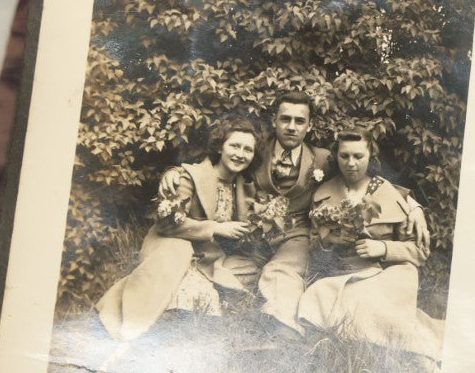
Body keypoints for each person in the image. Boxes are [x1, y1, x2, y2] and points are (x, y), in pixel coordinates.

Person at [249, 90, 429, 330]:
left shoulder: (321, 159)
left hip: (306, 240)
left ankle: (283, 322)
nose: (350, 162)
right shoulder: (252, 151)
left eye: (300, 120)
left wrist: (413, 206)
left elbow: (373, 185)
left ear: (309, 125)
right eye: (285, 119)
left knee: (289, 272)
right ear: (275, 120)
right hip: (255, 233)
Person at [96, 116, 263, 340]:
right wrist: (215, 228)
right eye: (234, 145)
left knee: (253, 268)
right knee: (193, 299)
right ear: (220, 147)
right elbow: (168, 225)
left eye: (247, 150)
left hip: (210, 257)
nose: (240, 154)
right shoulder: (190, 176)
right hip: (175, 248)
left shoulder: (245, 186)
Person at [297, 132, 442, 359]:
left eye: (358, 156)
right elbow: (315, 249)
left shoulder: (388, 193)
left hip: (383, 275)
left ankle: (376, 341)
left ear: (370, 155)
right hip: (343, 275)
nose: (351, 163)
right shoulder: (322, 195)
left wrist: (383, 248)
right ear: (336, 156)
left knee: (374, 297)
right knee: (319, 294)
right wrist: (328, 243)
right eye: (344, 156)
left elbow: (419, 251)